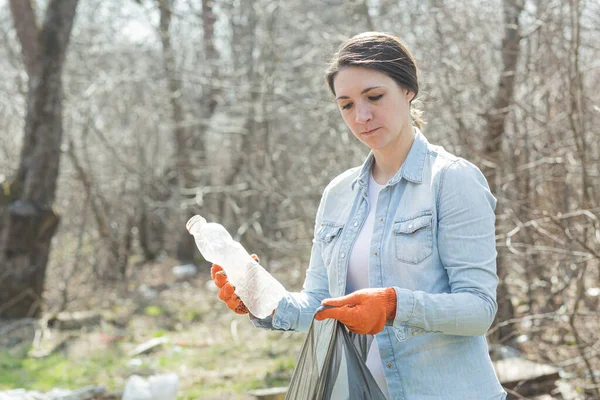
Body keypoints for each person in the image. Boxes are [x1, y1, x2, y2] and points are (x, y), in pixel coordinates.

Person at [211, 32, 506, 399]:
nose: (362, 116)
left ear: (408, 89)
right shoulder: (339, 193)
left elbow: (479, 310)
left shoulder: (452, 180)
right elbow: (319, 303)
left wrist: (393, 305)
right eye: (346, 105)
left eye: (374, 97)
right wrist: (259, 298)